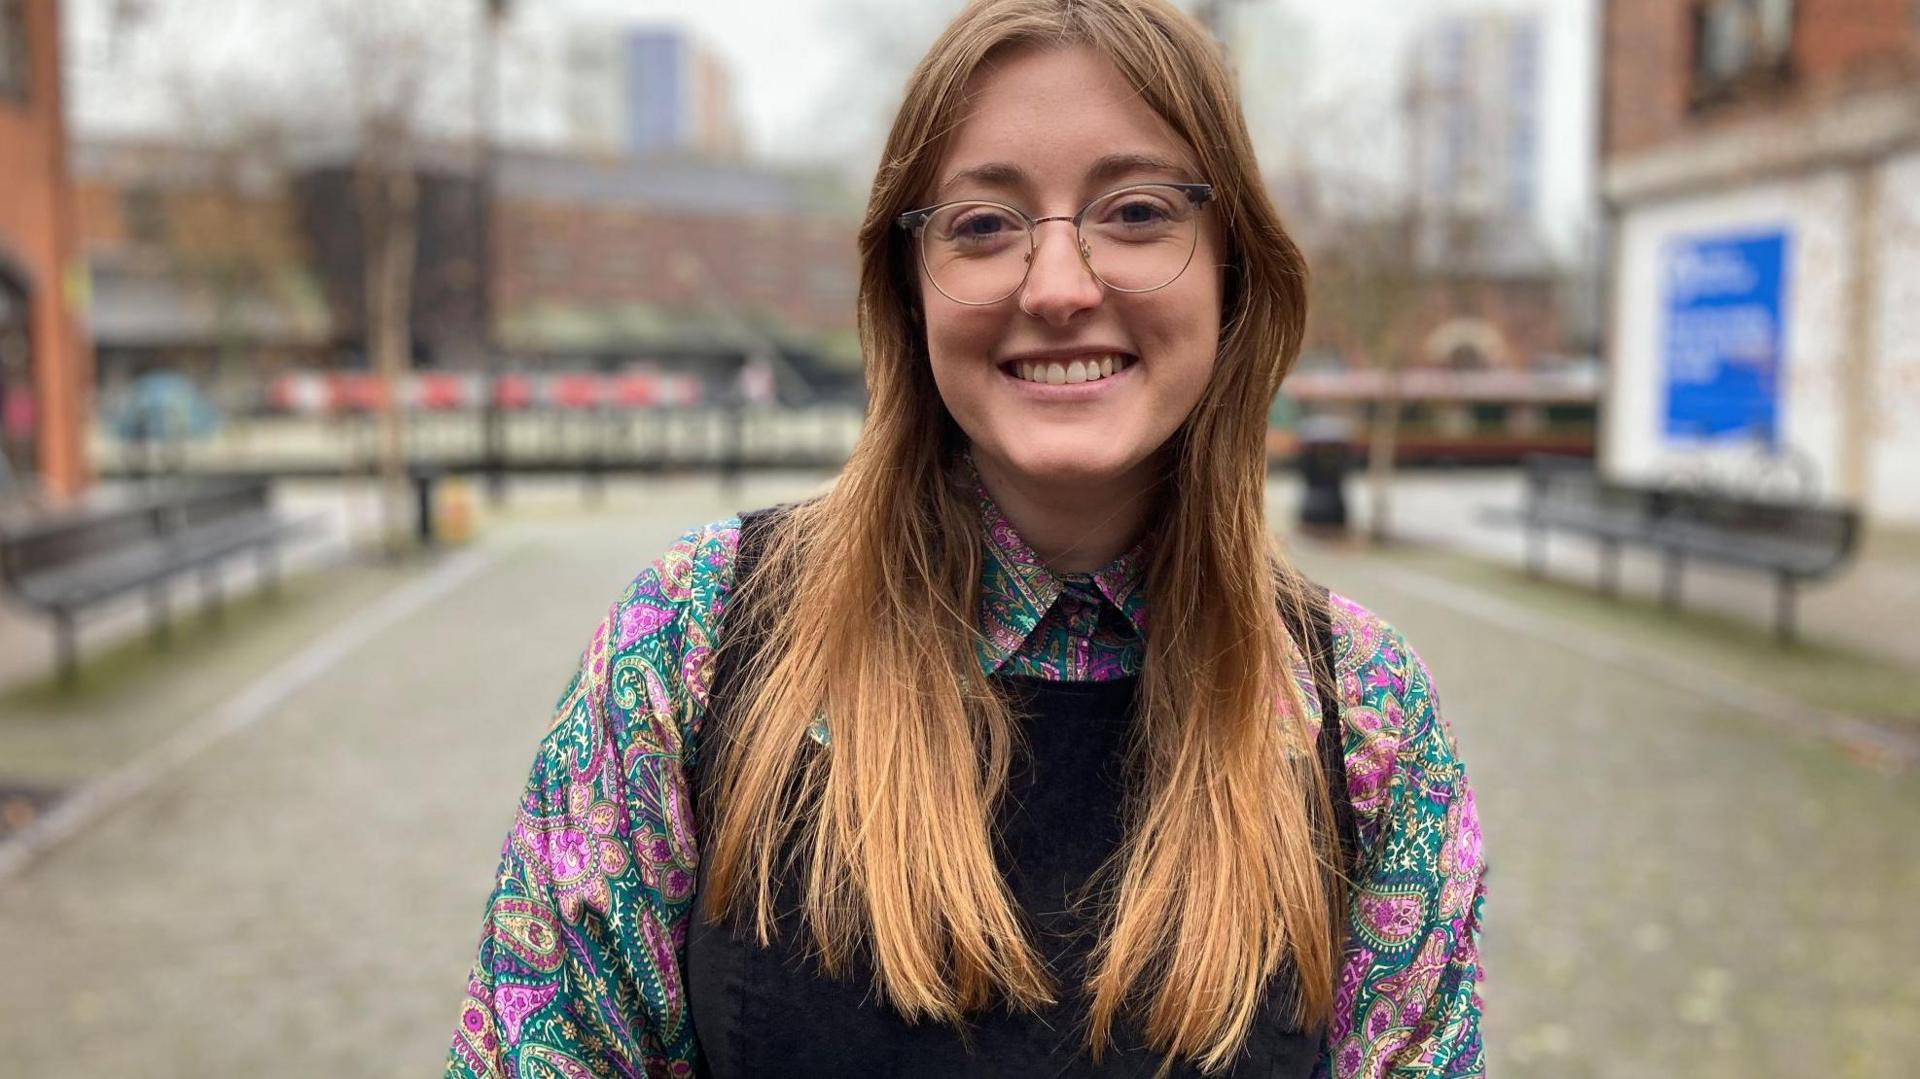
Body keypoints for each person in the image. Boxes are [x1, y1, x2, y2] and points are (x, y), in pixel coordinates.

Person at [446, 1, 1485, 1075]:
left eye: (1133, 211)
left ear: (1232, 269)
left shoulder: (1368, 721)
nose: (1059, 285)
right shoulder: (692, 641)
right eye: (984, 225)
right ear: (908, 285)